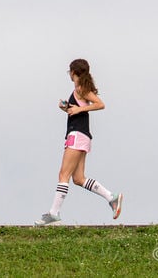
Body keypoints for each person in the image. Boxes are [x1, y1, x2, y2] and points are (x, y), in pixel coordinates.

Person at [35, 59, 122, 226]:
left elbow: (100, 104)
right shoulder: (79, 90)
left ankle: (53, 214)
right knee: (79, 179)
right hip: (82, 135)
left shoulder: (80, 88)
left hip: (77, 134)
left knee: (63, 175)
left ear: (74, 72)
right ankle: (111, 197)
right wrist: (68, 108)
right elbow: (78, 109)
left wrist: (78, 109)